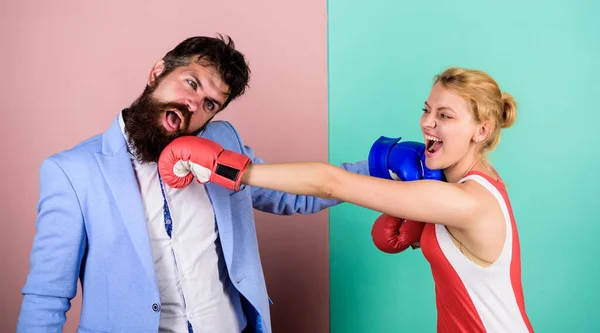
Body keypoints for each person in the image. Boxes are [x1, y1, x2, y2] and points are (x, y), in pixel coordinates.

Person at [17, 35, 371, 333]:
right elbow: (47, 296)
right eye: (191, 83)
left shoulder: (223, 142)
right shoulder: (73, 171)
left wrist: (380, 167)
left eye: (209, 103)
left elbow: (292, 197)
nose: (193, 104)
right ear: (158, 71)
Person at [158, 67, 535, 332]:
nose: (426, 123)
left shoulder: (464, 201)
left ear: (481, 131)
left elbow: (330, 184)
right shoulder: (469, 186)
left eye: (445, 115)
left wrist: (229, 167)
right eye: (427, 110)